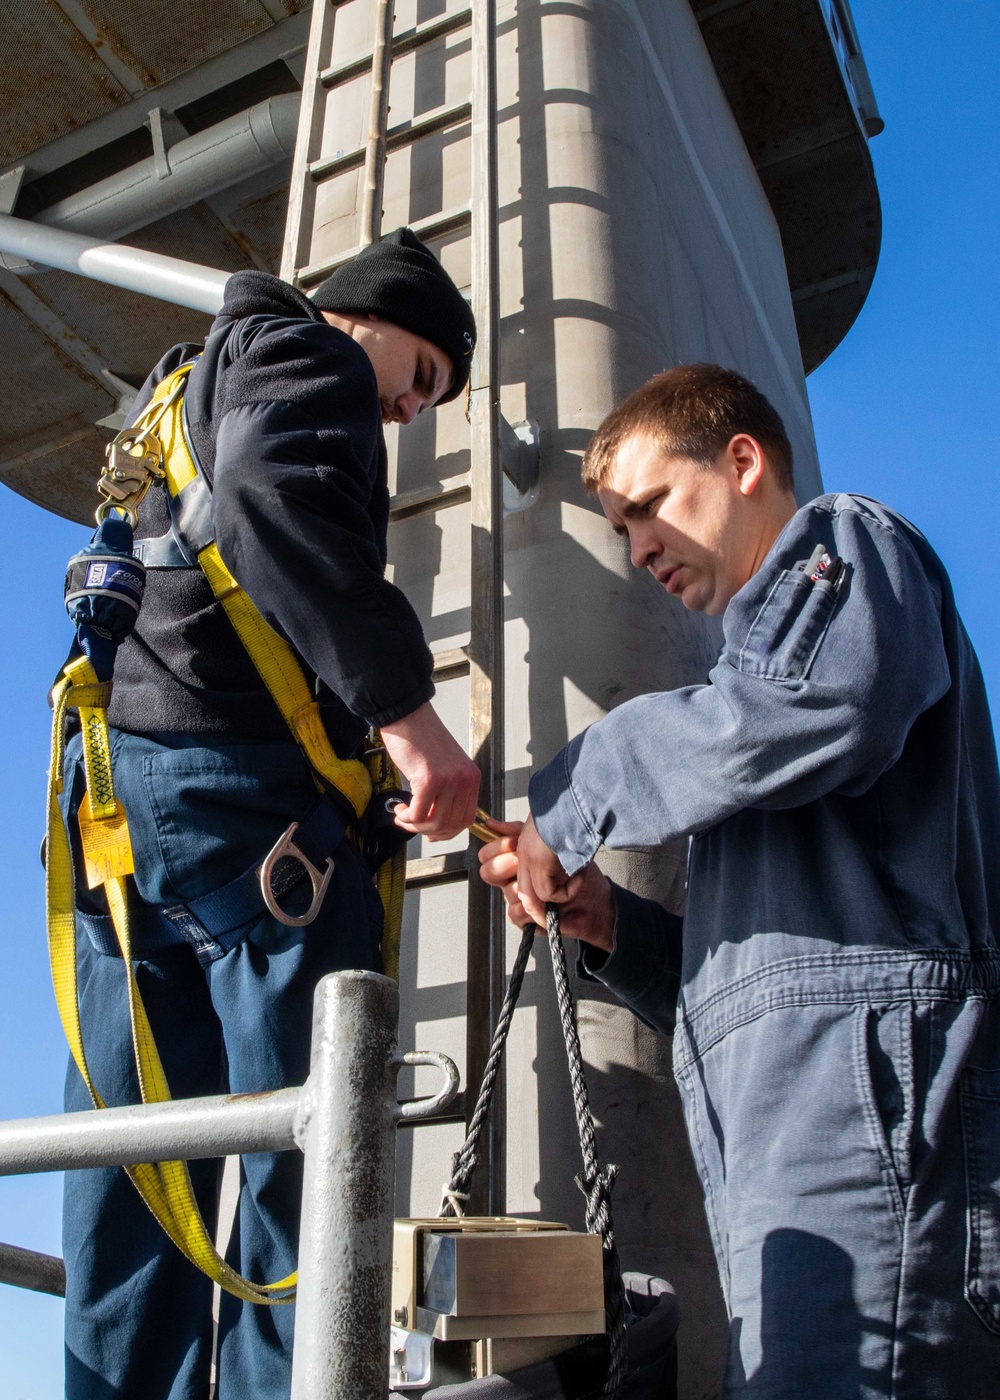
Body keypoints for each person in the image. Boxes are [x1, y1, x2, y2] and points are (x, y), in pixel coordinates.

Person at [480, 363, 1000, 1398]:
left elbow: (830, 707)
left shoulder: (847, 542)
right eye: (620, 529)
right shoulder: (743, 721)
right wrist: (610, 927)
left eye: (650, 506)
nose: (638, 551)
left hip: (870, 1134)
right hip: (797, 1149)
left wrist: (572, 795)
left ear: (743, 460)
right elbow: (752, 987)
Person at [58, 228, 481, 1399]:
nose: (408, 408)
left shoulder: (186, 383)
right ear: (378, 316)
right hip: (244, 816)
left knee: (136, 1176)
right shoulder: (315, 358)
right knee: (310, 1188)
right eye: (425, 375)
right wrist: (406, 719)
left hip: (115, 820)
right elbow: (271, 498)